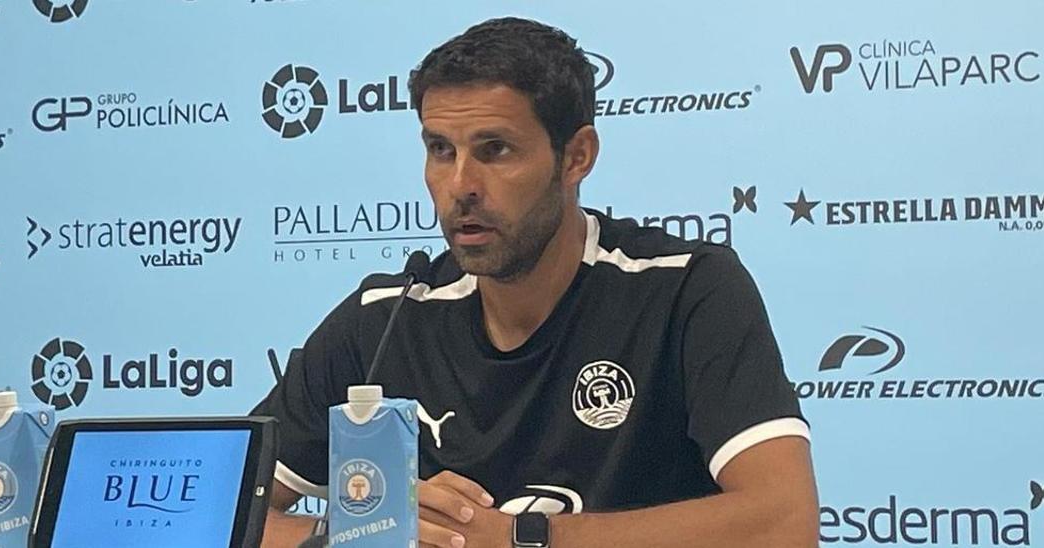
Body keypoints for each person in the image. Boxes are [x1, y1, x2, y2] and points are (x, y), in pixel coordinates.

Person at [255, 16, 818, 548]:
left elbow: (785, 520)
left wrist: (519, 537)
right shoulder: (388, 314)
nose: (460, 185)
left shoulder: (684, 289)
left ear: (576, 157)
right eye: (439, 150)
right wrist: (371, 529)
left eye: (494, 150)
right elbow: (220, 506)